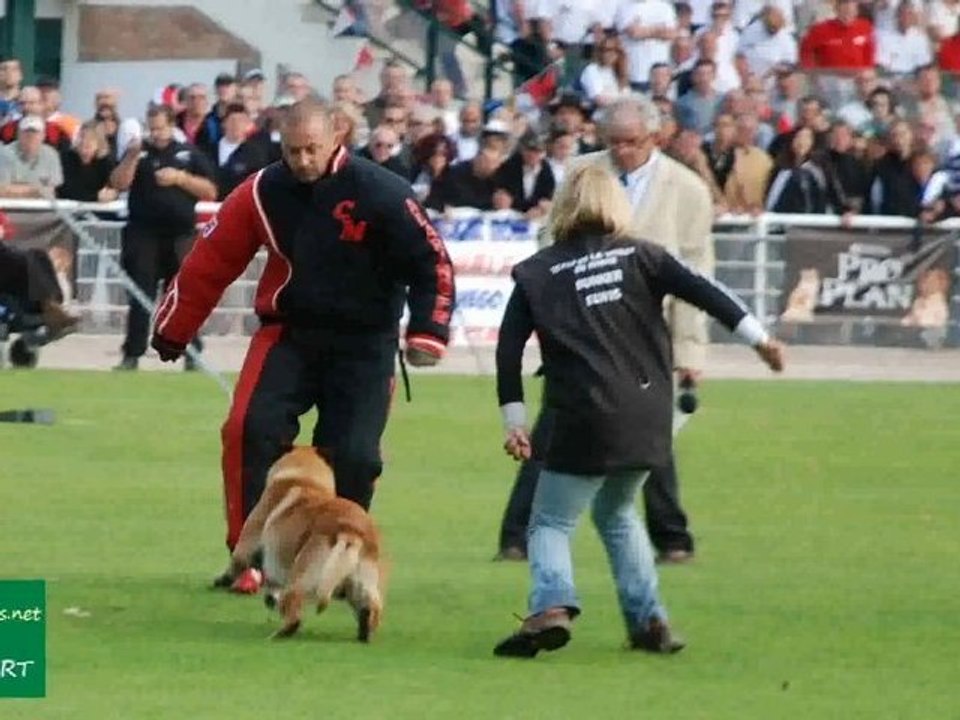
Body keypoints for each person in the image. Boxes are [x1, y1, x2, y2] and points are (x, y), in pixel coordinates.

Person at [148, 100, 455, 594]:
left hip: (365, 343)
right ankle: (247, 559)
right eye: (292, 151)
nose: (303, 161)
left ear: (337, 135)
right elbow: (212, 259)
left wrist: (428, 332)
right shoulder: (262, 191)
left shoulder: (383, 192)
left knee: (354, 455)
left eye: (312, 150)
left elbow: (432, 263)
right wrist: (174, 328)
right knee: (248, 429)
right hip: (289, 334)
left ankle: (340, 558)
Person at [491, 164, 785, 658]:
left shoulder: (538, 272)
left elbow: (507, 352)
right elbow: (708, 292)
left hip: (582, 413)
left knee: (550, 521)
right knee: (618, 511)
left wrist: (515, 423)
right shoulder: (642, 255)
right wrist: (761, 340)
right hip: (649, 414)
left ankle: (551, 605)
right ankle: (649, 620)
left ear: (563, 206)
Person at [495, 96, 714, 564]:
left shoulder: (688, 189)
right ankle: (517, 534)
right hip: (581, 326)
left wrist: (691, 349)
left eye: (632, 143)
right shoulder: (580, 172)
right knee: (555, 427)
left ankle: (671, 536)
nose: (622, 152)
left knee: (650, 434)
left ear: (654, 138)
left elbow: (698, 272)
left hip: (646, 328)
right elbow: (551, 241)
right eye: (613, 143)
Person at [109, 104, 218, 371]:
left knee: (183, 297)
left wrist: (180, 179)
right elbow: (118, 183)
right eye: (152, 127)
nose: (156, 133)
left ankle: (191, 351)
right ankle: (132, 353)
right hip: (142, 234)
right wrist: (131, 157)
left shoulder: (188, 154)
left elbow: (210, 191)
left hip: (180, 236)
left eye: (160, 127)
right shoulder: (138, 152)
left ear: (171, 126)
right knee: (140, 295)